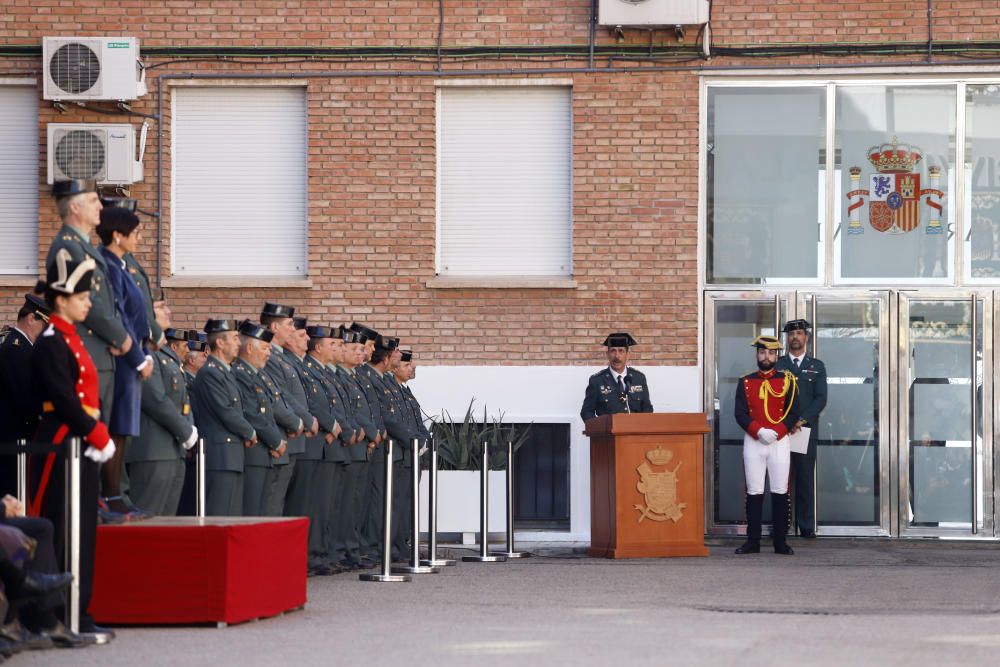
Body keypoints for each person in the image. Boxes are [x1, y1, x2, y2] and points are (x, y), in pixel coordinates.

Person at [28, 249, 117, 641]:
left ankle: (80, 609)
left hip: (79, 440)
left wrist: (94, 433)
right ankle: (59, 614)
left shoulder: (71, 338)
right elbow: (63, 399)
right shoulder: (51, 341)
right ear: (60, 300)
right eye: (82, 298)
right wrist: (98, 434)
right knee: (64, 528)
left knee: (83, 529)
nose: (87, 304)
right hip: (64, 441)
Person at [45, 180, 133, 452]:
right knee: (85, 444)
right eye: (94, 200)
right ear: (74, 207)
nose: (100, 207)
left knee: (99, 443)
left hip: (100, 351)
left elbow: (107, 300)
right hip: (86, 349)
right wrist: (120, 336)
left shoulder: (87, 247)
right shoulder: (66, 247)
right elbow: (87, 302)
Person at [95, 206, 155, 517]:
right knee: (114, 428)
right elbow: (116, 314)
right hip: (120, 361)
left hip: (130, 361)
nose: (140, 239)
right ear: (117, 235)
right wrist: (137, 357)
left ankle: (116, 495)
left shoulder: (120, 265)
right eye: (135, 233)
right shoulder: (106, 265)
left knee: (122, 429)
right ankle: (110, 496)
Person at [734, 335, 801, 556]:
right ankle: (752, 541)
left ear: (776, 356)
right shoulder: (745, 381)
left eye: (771, 353)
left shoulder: (788, 380)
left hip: (779, 442)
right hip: (754, 440)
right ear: (757, 355)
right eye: (762, 352)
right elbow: (740, 413)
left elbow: (793, 412)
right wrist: (758, 431)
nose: (766, 357)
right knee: (754, 491)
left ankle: (780, 541)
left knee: (780, 491)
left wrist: (778, 432)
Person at [126, 319, 198, 516]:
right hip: (152, 450)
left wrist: (189, 429)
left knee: (167, 521)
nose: (168, 311)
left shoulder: (167, 356)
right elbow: (155, 398)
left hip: (174, 449)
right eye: (160, 306)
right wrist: (185, 431)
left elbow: (183, 401)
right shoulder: (146, 353)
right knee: (148, 518)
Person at [191, 319, 257, 516]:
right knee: (219, 516)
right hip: (220, 456)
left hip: (232, 456)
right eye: (235, 338)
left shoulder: (225, 372)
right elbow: (225, 410)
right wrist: (250, 432)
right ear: (220, 343)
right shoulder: (211, 373)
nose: (239, 343)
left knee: (231, 517)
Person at [260, 303, 312, 516]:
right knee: (273, 502)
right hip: (284, 435)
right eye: (289, 325)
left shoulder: (280, 356)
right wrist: (302, 421)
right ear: (274, 326)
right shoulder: (271, 357)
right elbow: (280, 396)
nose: (292, 329)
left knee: (280, 502)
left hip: (293, 438)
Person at [776, 319, 827, 539]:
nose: (795, 337)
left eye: (799, 333)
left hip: (804, 431)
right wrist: (785, 422)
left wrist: (801, 419)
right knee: (780, 478)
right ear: (787, 339)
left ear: (806, 337)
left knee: (805, 479)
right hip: (780, 431)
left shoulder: (817, 366)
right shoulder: (777, 365)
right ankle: (781, 525)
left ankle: (805, 525)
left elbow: (821, 398)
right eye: (791, 334)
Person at [230, 320, 288, 517]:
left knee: (261, 511)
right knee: (251, 511)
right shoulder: (240, 374)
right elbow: (252, 413)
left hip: (264, 453)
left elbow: (268, 409)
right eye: (264, 348)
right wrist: (276, 441)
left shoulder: (258, 375)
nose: (268, 352)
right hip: (254, 453)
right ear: (248, 348)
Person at [0, 294, 50, 496]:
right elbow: (24, 397)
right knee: (14, 494)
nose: (46, 332)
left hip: (21, 436)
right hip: (15, 437)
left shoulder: (23, 348)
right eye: (44, 325)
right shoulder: (15, 349)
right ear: (31, 318)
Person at [580, 332, 653, 422]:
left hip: (635, 434)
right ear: (607, 354)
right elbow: (586, 412)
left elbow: (647, 410)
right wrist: (601, 429)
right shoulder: (597, 381)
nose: (617, 356)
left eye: (621, 351)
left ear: (628, 355)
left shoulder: (639, 378)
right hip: (608, 434)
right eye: (613, 351)